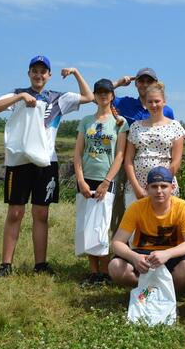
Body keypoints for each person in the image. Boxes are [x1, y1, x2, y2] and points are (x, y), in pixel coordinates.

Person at [0, 55, 93, 276]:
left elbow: (88, 96)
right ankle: (5, 265)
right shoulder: (17, 93)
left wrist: (75, 72)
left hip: (46, 162)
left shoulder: (57, 98)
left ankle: (41, 265)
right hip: (18, 162)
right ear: (29, 73)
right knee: (15, 212)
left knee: (41, 213)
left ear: (49, 75)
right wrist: (21, 97)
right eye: (34, 71)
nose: (38, 75)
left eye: (43, 71)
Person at [73, 78, 129, 285]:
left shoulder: (120, 122)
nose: (103, 95)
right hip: (86, 179)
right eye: (99, 92)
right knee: (87, 224)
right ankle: (93, 271)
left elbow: (120, 155)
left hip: (106, 179)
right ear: (95, 97)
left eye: (107, 92)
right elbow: (78, 152)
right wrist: (80, 179)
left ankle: (105, 272)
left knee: (102, 225)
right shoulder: (86, 121)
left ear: (112, 96)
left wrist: (107, 181)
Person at [108, 167, 185, 292]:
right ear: (147, 188)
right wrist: (134, 257)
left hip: (171, 255)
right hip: (143, 256)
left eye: (163, 186)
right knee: (115, 267)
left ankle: (163, 294)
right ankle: (145, 291)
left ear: (172, 188)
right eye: (154, 186)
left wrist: (168, 254)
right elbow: (116, 243)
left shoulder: (184, 207)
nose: (159, 191)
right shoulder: (136, 207)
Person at [110, 67, 176, 234]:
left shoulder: (166, 110)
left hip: (158, 169)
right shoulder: (125, 103)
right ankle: (121, 242)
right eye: (141, 81)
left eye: (149, 81)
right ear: (136, 83)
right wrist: (119, 82)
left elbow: (171, 141)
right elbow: (99, 96)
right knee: (119, 203)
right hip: (125, 161)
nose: (145, 84)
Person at [123, 82, 185, 208]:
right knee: (136, 225)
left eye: (157, 101)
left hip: (164, 187)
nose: (153, 105)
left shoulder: (175, 126)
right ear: (145, 104)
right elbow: (128, 160)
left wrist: (162, 186)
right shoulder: (136, 126)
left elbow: (176, 160)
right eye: (150, 101)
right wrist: (137, 188)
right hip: (137, 186)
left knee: (163, 225)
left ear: (164, 101)